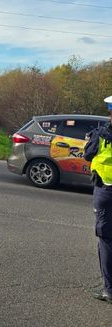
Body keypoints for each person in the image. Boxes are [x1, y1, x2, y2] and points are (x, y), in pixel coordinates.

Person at [84, 95, 112, 304]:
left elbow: (88, 154)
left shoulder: (103, 133)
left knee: (106, 239)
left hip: (106, 191)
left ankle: (109, 290)